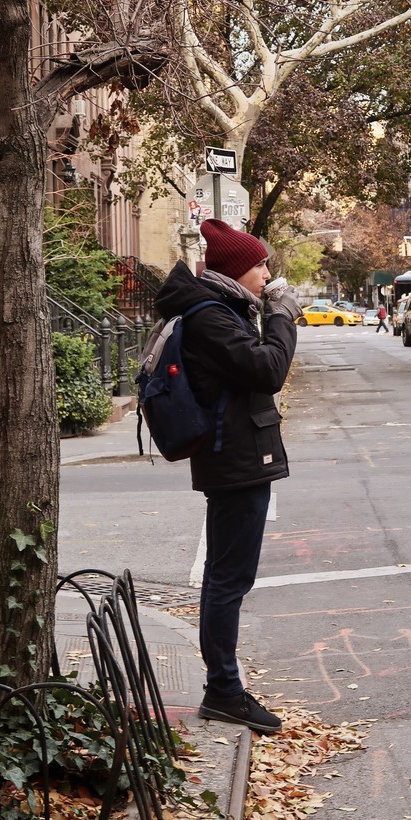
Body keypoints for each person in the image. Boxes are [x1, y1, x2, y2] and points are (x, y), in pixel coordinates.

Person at [153, 219, 302, 734]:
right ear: (238, 270)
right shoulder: (212, 317)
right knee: (228, 579)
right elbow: (268, 371)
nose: (267, 274)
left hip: (237, 456)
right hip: (234, 460)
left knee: (227, 576)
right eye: (260, 265)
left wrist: (269, 314)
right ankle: (223, 691)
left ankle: (224, 687)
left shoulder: (222, 309)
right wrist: (282, 317)